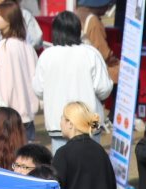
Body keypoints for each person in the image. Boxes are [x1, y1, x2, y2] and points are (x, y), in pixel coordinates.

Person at [32, 11, 112, 151]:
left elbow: (38, 90)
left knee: (62, 163)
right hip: (90, 123)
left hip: (58, 125)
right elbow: (104, 89)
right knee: (92, 162)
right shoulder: (91, 53)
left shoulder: (46, 56)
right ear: (78, 30)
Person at [53, 100, 115, 189]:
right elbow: (111, 186)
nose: (60, 123)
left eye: (62, 118)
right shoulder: (100, 150)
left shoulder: (63, 153)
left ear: (70, 123)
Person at [0, 0, 36, 139]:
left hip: (9, 117)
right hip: (28, 115)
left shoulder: (3, 46)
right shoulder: (27, 46)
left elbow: (2, 83)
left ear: (9, 19)